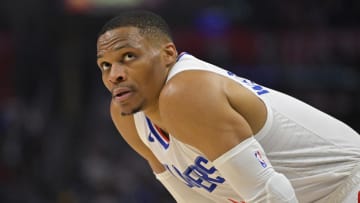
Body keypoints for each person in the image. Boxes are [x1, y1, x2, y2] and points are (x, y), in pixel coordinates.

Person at [96, 10, 360, 203]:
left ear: (168, 55)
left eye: (128, 57)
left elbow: (269, 193)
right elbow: (191, 198)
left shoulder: (186, 92)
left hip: (345, 185)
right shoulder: (127, 115)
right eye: (105, 65)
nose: (114, 74)